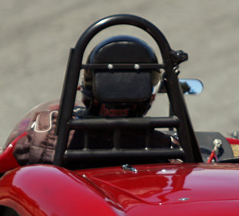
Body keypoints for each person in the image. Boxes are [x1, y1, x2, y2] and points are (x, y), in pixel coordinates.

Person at [13, 35, 174, 166]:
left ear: (84, 88)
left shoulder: (46, 137)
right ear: (150, 95)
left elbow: (3, 166)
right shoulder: (166, 149)